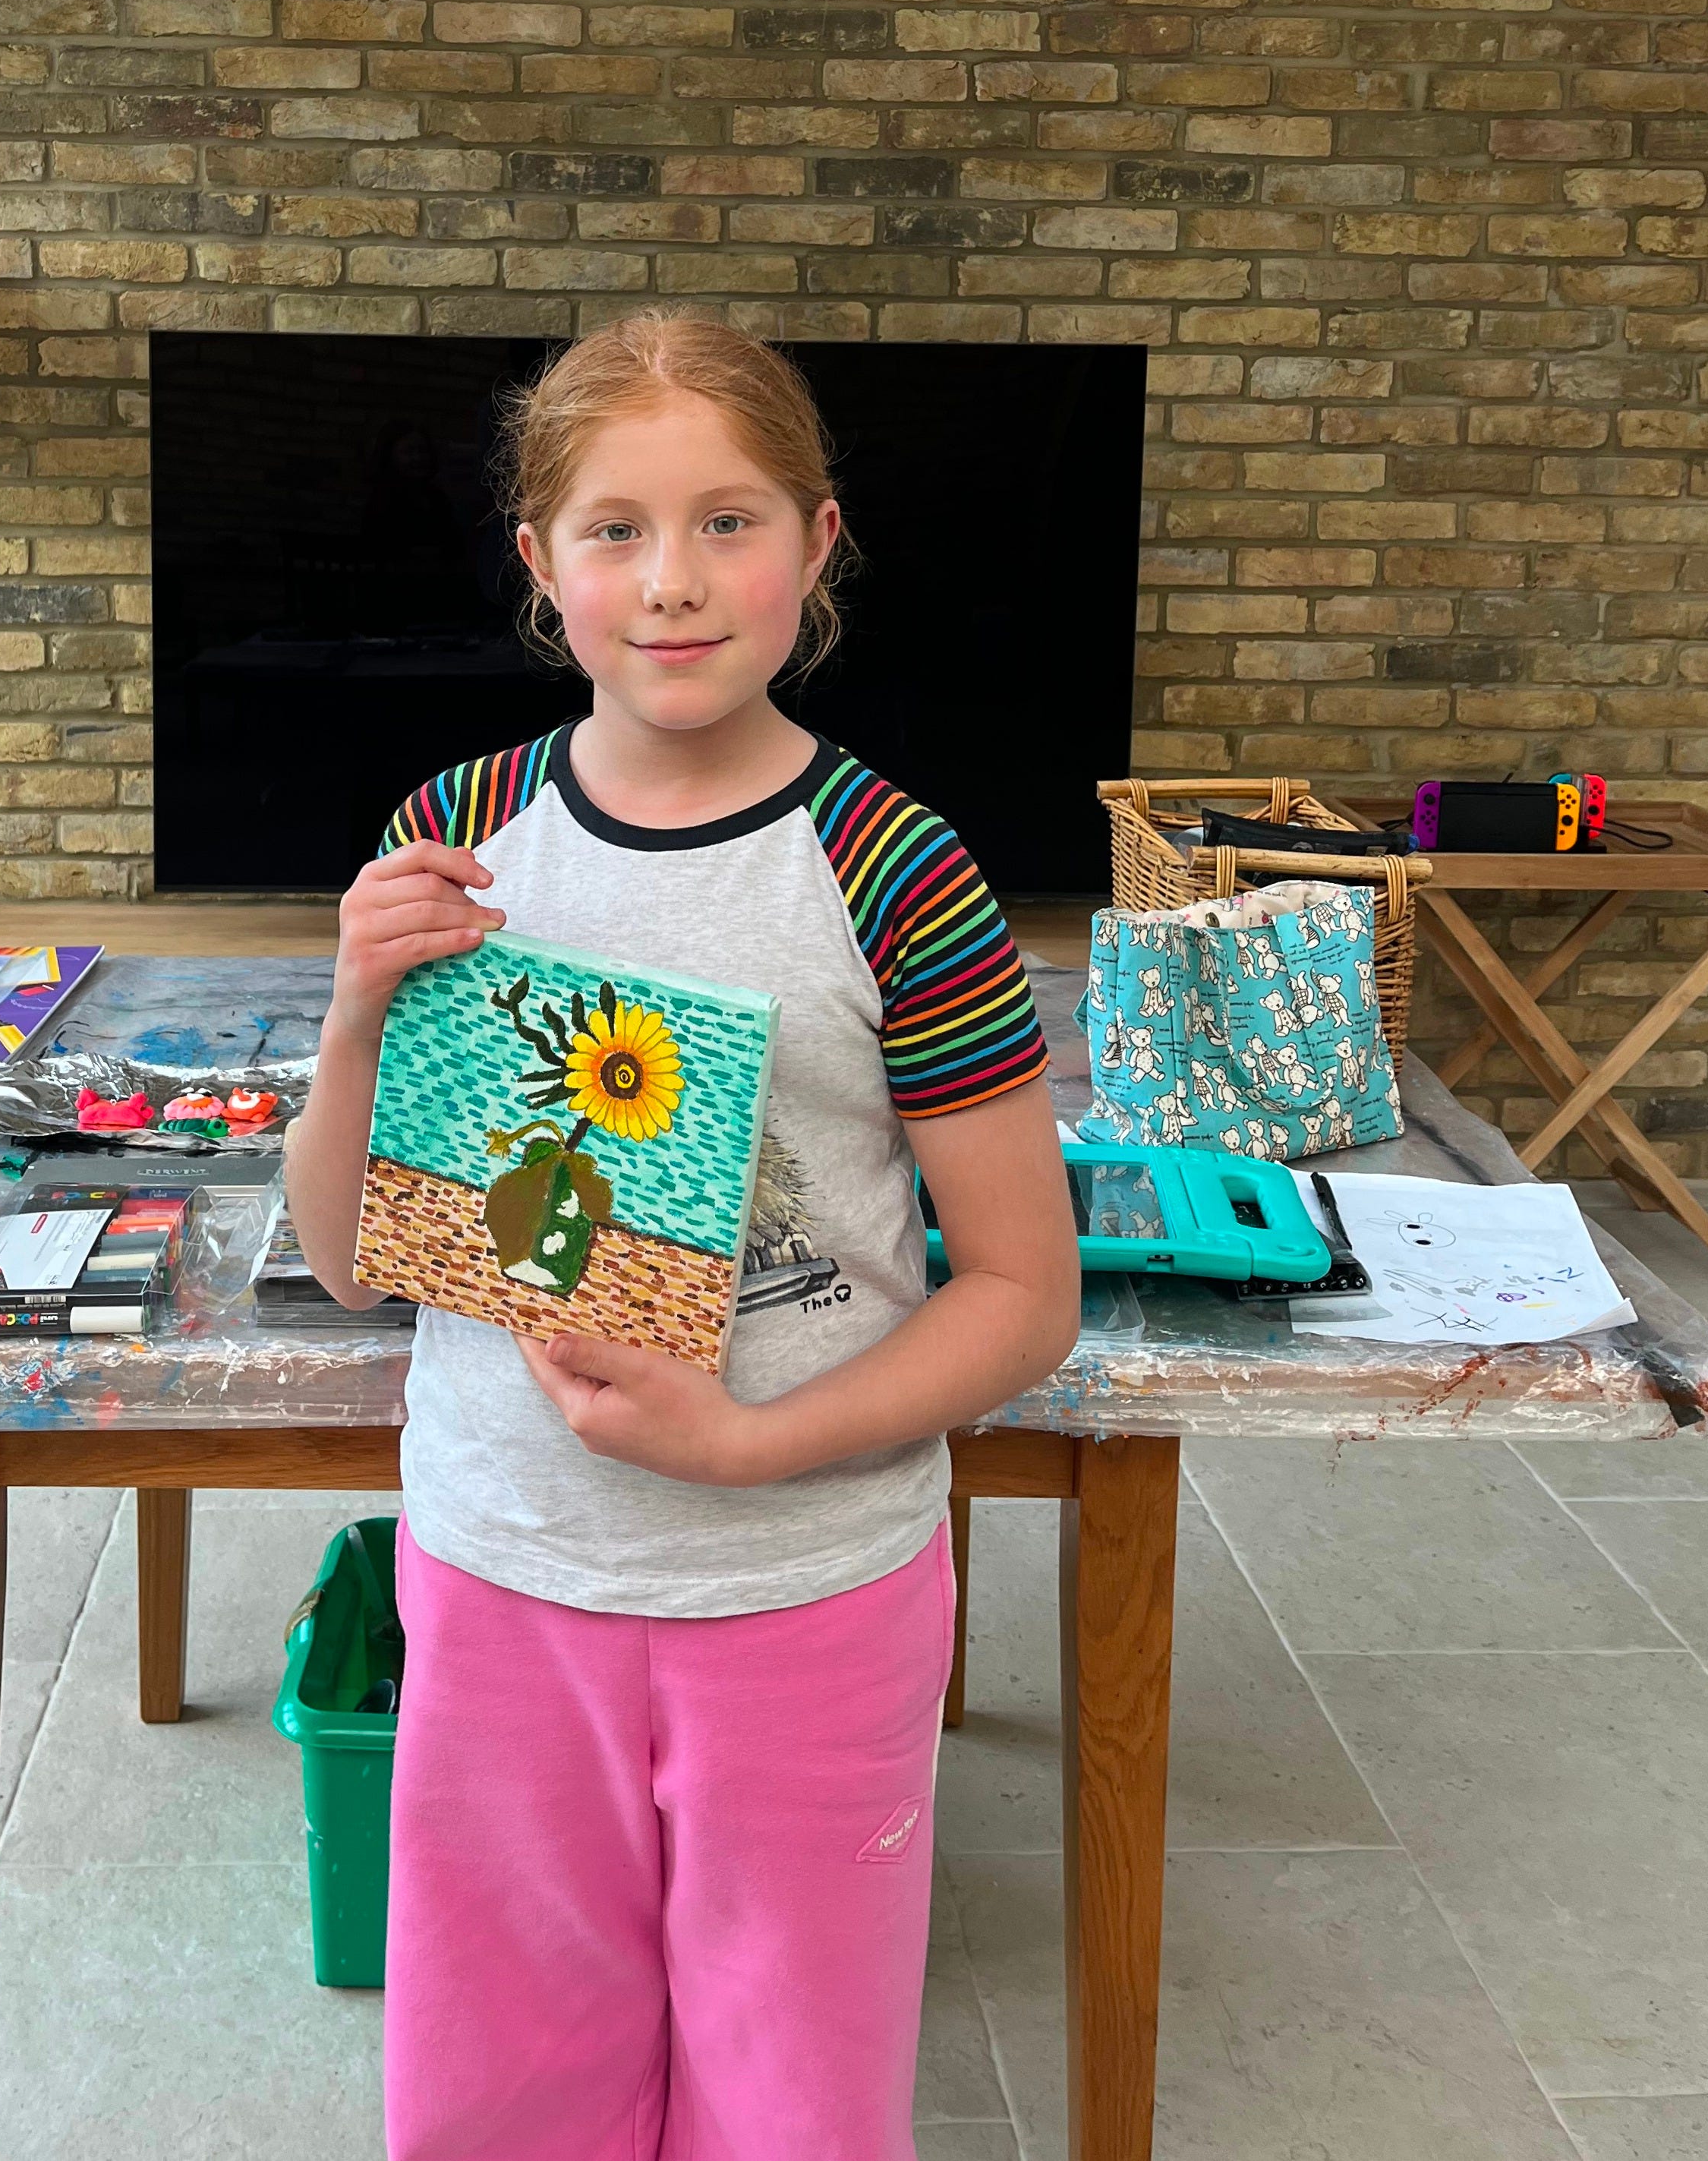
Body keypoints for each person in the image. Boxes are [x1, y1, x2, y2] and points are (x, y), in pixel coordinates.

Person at [284, 313, 1082, 2159]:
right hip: (503, 1568)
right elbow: (351, 1261)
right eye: (617, 530)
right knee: (499, 2082)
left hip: (805, 1586)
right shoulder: (457, 836)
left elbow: (1025, 1291)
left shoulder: (897, 873)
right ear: (540, 564)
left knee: (796, 2090)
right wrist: (350, 1020)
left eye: (730, 522)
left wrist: (748, 1444)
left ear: (818, 541)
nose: (673, 582)